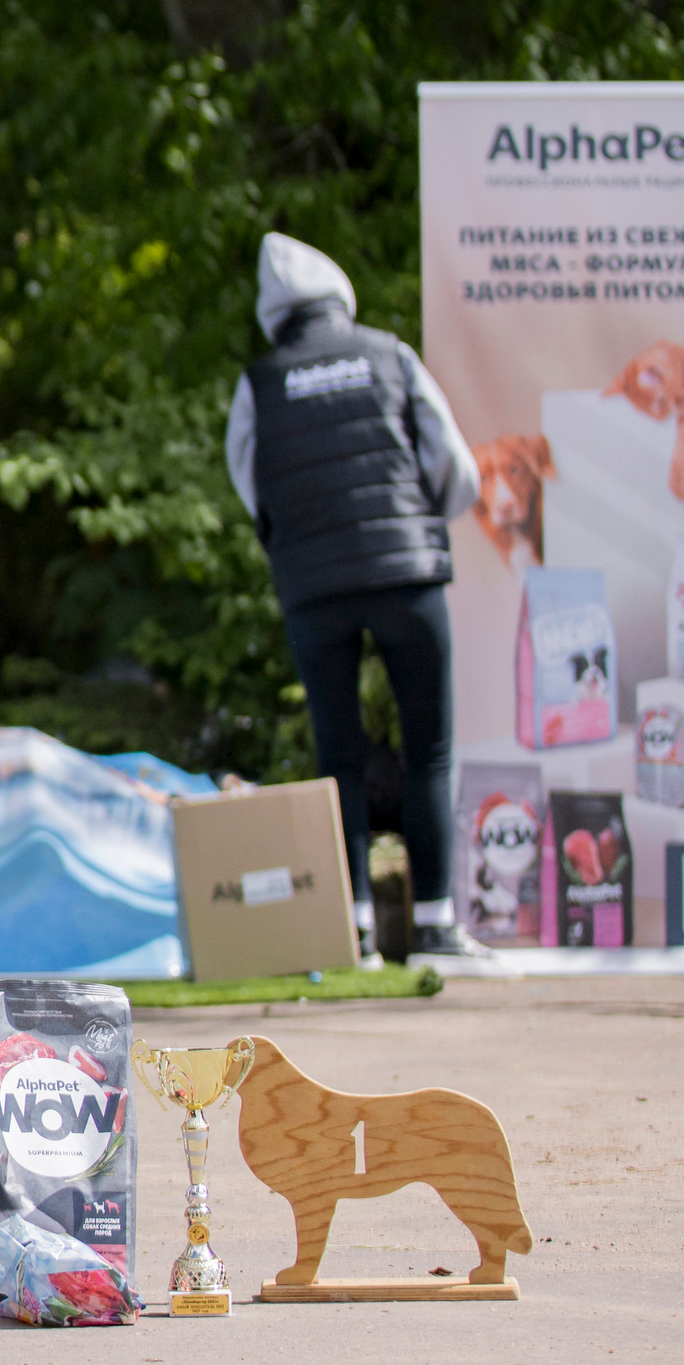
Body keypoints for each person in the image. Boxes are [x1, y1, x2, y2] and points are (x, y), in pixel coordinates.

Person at [224, 232, 492, 962]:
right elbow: (457, 470)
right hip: (407, 573)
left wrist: (300, 540)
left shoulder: (260, 381)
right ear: (339, 295)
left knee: (337, 755)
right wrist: (415, 521)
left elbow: (250, 485)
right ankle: (436, 926)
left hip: (315, 588)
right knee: (430, 748)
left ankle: (358, 933)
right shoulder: (390, 354)